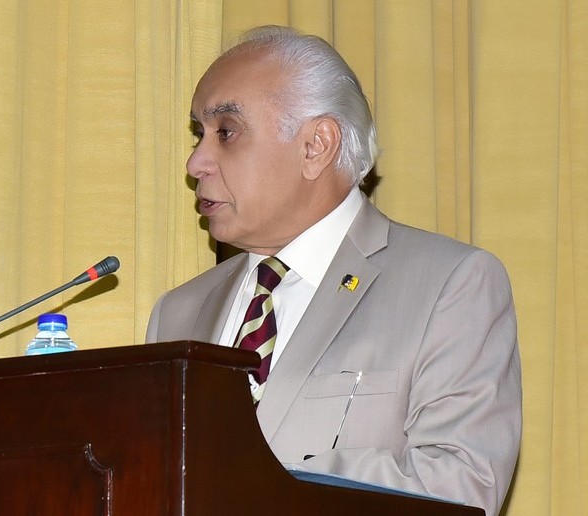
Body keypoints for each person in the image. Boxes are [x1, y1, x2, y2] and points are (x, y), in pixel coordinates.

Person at [145, 25, 521, 516]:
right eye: (199, 134)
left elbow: (460, 487)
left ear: (316, 146)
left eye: (226, 132)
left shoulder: (450, 285)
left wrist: (259, 486)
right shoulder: (177, 312)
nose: (196, 162)